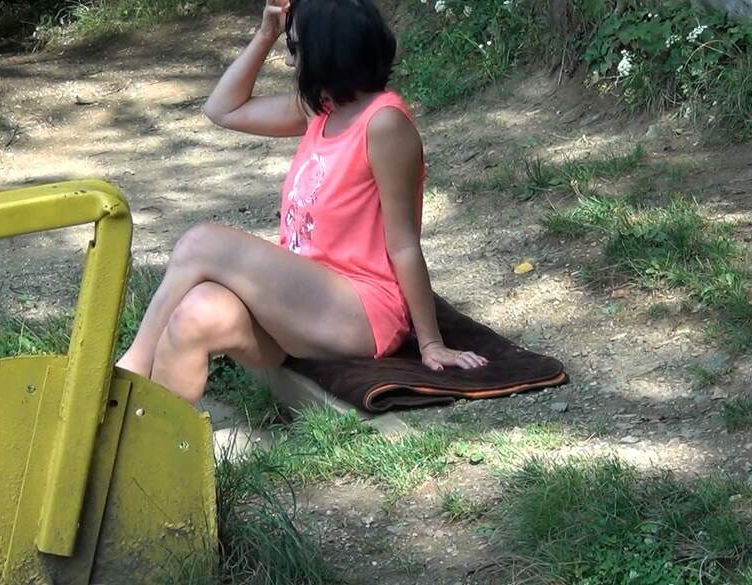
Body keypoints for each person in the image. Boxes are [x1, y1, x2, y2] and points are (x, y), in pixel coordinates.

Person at [116, 0, 487, 402]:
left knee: (203, 241)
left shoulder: (384, 124)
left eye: (294, 47)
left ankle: (127, 372)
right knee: (197, 313)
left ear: (326, 51)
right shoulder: (320, 111)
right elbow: (222, 109)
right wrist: (266, 34)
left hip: (361, 310)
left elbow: (404, 244)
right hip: (301, 304)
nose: (290, 61)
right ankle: (151, 435)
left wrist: (430, 343)